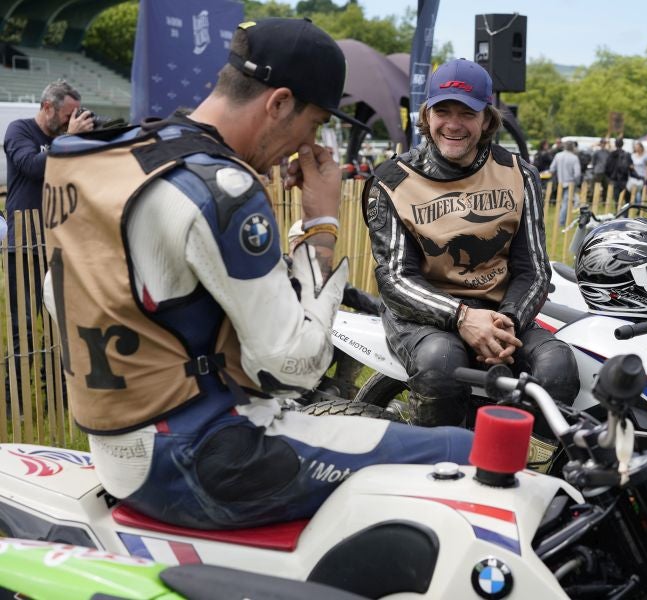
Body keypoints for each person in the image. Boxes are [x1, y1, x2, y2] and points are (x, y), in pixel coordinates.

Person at [41, 18, 472, 530]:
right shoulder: (220, 184)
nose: (302, 146)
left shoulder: (108, 154)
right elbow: (296, 365)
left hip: (118, 444)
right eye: (311, 126)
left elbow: (80, 296)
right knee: (462, 447)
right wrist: (321, 224)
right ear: (279, 103)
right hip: (200, 455)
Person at [364, 58, 579, 468]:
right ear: (426, 115)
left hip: (502, 312)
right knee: (441, 363)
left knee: (557, 365)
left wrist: (507, 326)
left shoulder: (520, 174)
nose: (454, 124)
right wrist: (463, 318)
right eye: (443, 110)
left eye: (467, 112)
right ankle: (436, 470)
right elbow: (394, 277)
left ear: (487, 119)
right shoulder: (391, 180)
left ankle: (526, 473)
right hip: (422, 316)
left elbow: (534, 268)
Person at [3, 80, 93, 406]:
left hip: (59, 246)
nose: (71, 121)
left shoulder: (65, 141)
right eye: (67, 115)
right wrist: (71, 138)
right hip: (23, 247)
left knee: (60, 325)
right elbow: (31, 166)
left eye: (75, 116)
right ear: (47, 107)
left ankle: (54, 398)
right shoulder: (20, 131)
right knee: (24, 328)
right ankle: (16, 404)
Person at [549, 140, 582, 225]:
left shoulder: (558, 155)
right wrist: (576, 183)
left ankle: (564, 219)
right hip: (570, 183)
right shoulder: (574, 158)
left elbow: (552, 169)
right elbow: (577, 174)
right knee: (566, 203)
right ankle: (561, 222)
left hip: (560, 182)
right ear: (573, 147)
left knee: (563, 202)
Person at [604, 137, 633, 204]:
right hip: (623, 179)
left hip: (616, 179)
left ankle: (619, 212)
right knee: (626, 199)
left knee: (617, 199)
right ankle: (624, 213)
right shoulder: (626, 154)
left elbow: (607, 167)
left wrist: (610, 177)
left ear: (615, 144)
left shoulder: (611, 154)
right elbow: (631, 167)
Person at [628, 140, 647, 205]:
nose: (636, 148)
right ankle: (637, 204)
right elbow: (630, 164)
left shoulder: (645, 156)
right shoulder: (633, 155)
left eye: (637, 147)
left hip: (642, 176)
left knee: (639, 191)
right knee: (635, 191)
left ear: (641, 148)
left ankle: (639, 205)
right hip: (634, 176)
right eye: (635, 147)